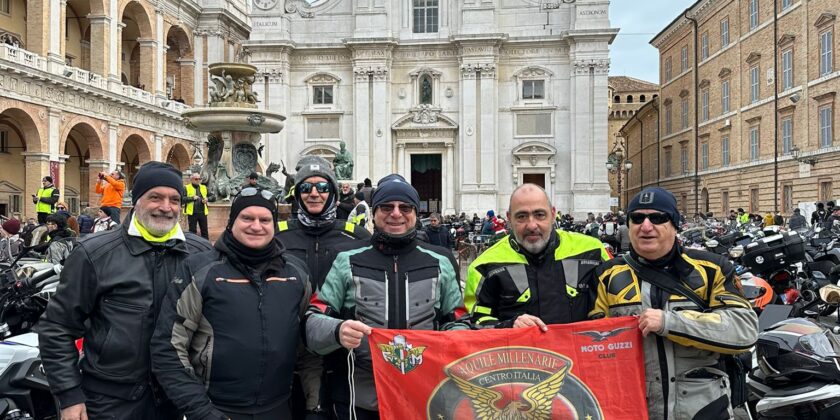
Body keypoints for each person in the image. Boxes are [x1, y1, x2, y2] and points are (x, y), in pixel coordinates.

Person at [37, 162, 212, 420]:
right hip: (110, 401)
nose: (166, 207)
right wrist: (69, 395)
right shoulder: (94, 253)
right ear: (136, 201)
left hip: (179, 401)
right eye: (155, 197)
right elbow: (57, 327)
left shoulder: (202, 253)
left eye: (174, 199)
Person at [305, 174, 466, 420]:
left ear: (416, 213)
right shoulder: (344, 258)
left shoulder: (441, 260)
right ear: (374, 212)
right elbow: (311, 323)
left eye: (405, 207)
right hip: (359, 400)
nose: (396, 214)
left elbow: (458, 320)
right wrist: (337, 330)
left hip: (425, 397)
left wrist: (452, 339)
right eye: (387, 207)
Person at [589, 187, 758, 420]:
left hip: (703, 410)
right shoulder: (606, 275)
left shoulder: (713, 268)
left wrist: (670, 323)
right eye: (637, 218)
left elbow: (744, 330)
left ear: (674, 224)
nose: (646, 226)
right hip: (633, 408)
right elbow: (590, 343)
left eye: (657, 218)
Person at [152, 187, 312, 420]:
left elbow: (308, 347)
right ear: (232, 222)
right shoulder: (199, 269)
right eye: (247, 218)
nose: (256, 226)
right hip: (215, 408)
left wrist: (315, 407)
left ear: (274, 225)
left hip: (278, 406)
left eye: (265, 220)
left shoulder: (296, 272)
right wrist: (201, 410)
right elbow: (168, 346)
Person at [274, 156, 370, 418]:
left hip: (341, 352)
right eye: (306, 187)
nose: (314, 193)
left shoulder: (356, 236)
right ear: (297, 194)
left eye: (322, 187)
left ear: (334, 193)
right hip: (289, 352)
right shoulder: (278, 235)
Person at [464, 183, 610, 329]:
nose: (532, 225)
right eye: (521, 216)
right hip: (518, 345)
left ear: (553, 214)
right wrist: (508, 326)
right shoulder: (483, 267)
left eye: (540, 215)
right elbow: (473, 322)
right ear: (509, 218)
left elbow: (616, 306)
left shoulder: (594, 252)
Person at [183, 173, 209, 239]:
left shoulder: (204, 187)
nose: (198, 180)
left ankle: (206, 243)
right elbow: (182, 199)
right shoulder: (186, 187)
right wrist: (192, 198)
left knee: (204, 230)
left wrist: (207, 199)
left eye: (199, 179)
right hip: (192, 213)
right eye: (196, 179)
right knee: (192, 231)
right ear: (191, 180)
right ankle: (193, 243)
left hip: (203, 212)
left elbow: (213, 196)